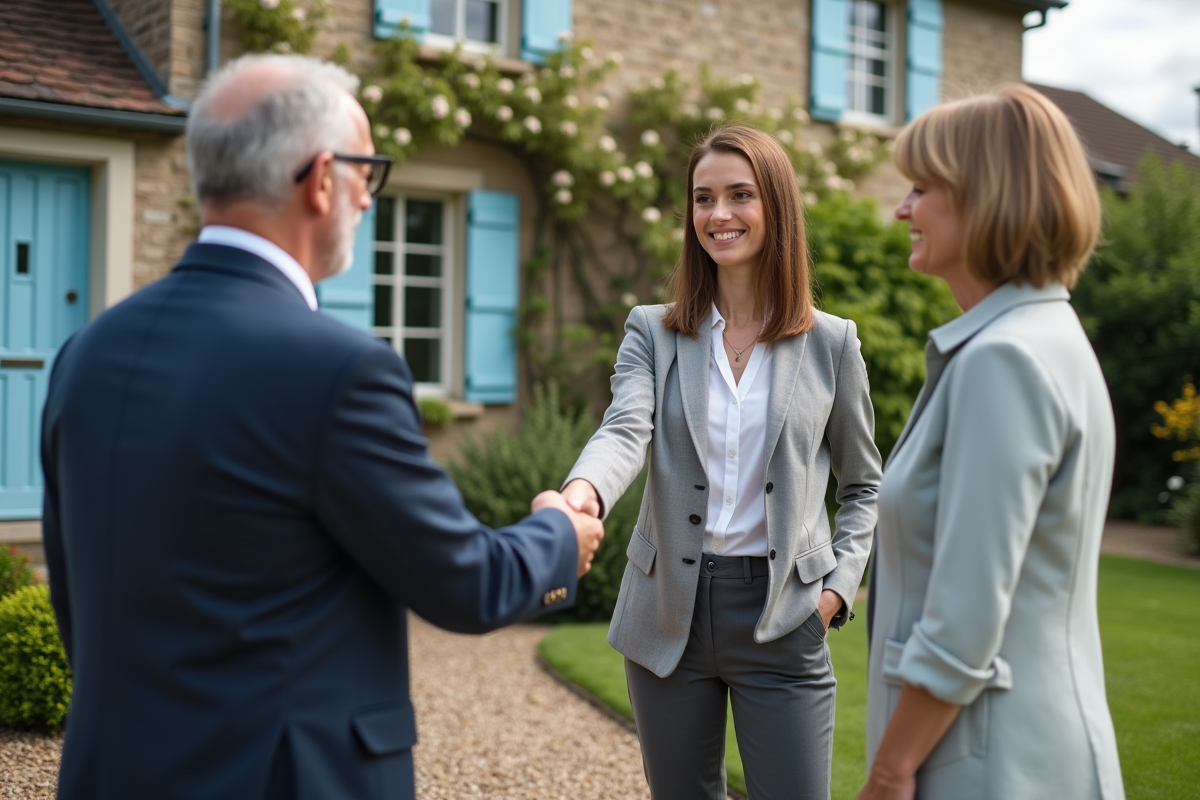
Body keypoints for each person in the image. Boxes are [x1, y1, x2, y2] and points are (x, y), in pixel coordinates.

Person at [40, 53, 603, 800]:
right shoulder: (340, 369)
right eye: (368, 171)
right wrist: (560, 534)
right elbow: (466, 583)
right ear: (324, 178)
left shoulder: (86, 352)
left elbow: (77, 601)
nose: (368, 199)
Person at [561, 124, 882, 799]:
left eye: (740, 195)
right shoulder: (653, 331)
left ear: (777, 207)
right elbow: (625, 428)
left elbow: (863, 486)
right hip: (666, 612)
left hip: (784, 613)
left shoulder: (832, 344)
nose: (718, 214)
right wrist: (582, 493)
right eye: (703, 198)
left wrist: (834, 590)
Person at [858, 85, 1124, 800]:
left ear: (985, 196)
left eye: (920, 188)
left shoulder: (1001, 359)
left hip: (987, 761)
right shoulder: (1046, 335)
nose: (902, 210)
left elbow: (965, 617)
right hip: (1027, 749)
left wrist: (890, 770)